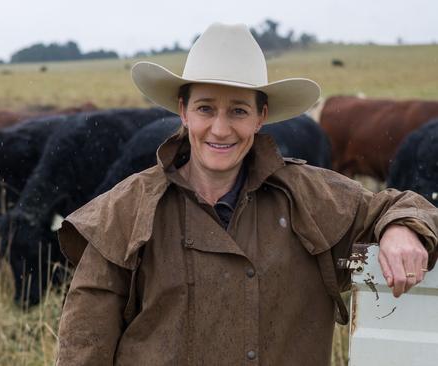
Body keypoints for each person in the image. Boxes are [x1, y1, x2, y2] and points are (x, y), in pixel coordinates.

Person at [55, 23, 438, 365]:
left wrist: (402, 227)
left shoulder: (312, 197)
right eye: (206, 108)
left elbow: (399, 205)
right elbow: (83, 348)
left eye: (238, 111)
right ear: (183, 111)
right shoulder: (124, 212)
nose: (220, 130)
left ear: (261, 116)